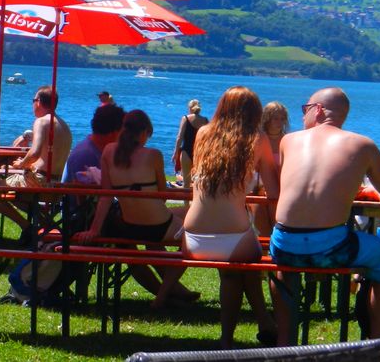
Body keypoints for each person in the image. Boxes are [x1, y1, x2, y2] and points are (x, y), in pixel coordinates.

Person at [273, 86, 380, 341]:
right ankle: (376, 341)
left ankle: (284, 341)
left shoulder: (288, 141)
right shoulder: (363, 145)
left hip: (284, 243)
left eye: (305, 109)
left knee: (284, 266)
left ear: (319, 110)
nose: (302, 117)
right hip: (331, 248)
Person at [182, 87, 278, 348]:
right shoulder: (257, 138)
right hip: (234, 239)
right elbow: (274, 191)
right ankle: (235, 334)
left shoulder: (203, 133)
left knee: (236, 270)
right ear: (255, 112)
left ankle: (262, 323)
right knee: (244, 264)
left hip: (192, 238)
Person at [75, 110, 198, 308]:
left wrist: (94, 230)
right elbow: (163, 195)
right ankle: (163, 297)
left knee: (179, 219)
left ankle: (173, 291)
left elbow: (105, 196)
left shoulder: (108, 151)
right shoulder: (153, 155)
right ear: (143, 133)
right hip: (157, 226)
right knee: (193, 233)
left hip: (129, 225)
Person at [0, 85, 72, 238]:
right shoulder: (64, 125)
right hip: (57, 184)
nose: (32, 104)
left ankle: (27, 226)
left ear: (39, 102)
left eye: (33, 100)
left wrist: (20, 164)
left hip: (39, 181)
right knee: (14, 194)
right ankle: (44, 223)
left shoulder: (42, 121)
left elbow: (34, 152)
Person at [252, 101, 288, 237]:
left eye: (282, 118)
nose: (280, 122)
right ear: (267, 119)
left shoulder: (288, 140)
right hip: (258, 190)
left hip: (281, 192)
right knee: (262, 232)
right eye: (276, 118)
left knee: (278, 229)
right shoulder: (257, 139)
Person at [171, 98, 208, 183]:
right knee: (197, 183)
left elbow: (179, 137)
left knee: (186, 183)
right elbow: (208, 139)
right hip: (199, 153)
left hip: (186, 152)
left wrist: (176, 152)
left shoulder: (185, 118)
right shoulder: (205, 120)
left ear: (190, 108)